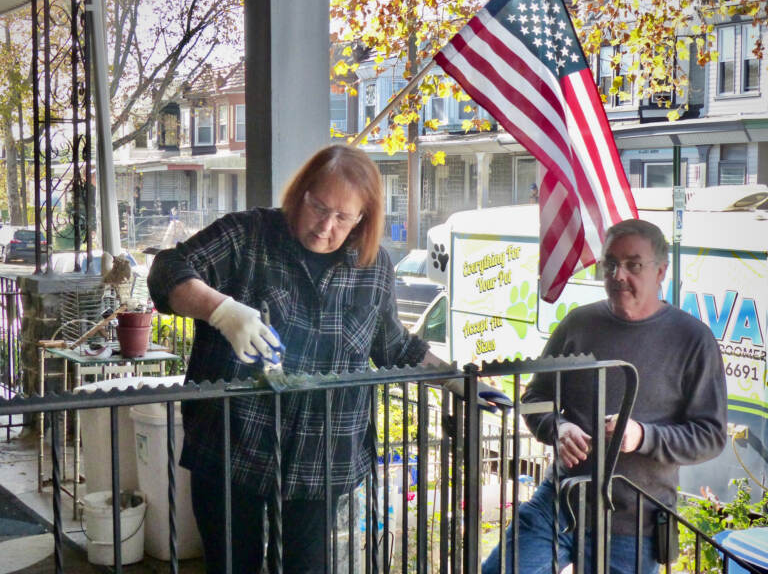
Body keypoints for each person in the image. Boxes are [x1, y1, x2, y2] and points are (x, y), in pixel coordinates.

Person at [147, 145, 441, 573]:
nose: (326, 227)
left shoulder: (373, 266)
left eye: (343, 217)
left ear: (364, 218)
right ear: (300, 193)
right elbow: (167, 270)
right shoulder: (247, 235)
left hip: (323, 460)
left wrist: (454, 378)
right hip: (232, 447)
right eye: (319, 207)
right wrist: (223, 311)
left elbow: (391, 343)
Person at [482, 219, 727, 574]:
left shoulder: (693, 340)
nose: (618, 274)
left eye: (633, 264)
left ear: (661, 271)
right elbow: (535, 397)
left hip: (636, 523)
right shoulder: (577, 325)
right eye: (609, 263)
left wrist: (642, 436)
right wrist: (558, 427)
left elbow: (711, 435)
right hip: (560, 502)